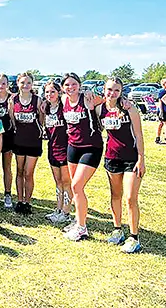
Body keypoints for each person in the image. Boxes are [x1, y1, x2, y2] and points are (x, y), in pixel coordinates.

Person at [97, 77, 145, 253]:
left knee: (130, 198)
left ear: (121, 91)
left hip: (131, 158)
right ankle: (117, 230)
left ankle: (134, 237)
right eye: (109, 89)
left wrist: (141, 159)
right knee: (115, 195)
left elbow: (139, 135)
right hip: (111, 157)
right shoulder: (99, 108)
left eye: (116, 90)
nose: (112, 93)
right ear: (104, 89)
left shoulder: (129, 108)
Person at [61, 72, 104, 241]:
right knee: (75, 187)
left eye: (73, 84)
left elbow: (108, 102)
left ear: (79, 85)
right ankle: (78, 220)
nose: (70, 87)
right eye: (67, 85)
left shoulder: (87, 98)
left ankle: (82, 228)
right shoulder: (64, 100)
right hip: (73, 146)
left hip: (91, 147)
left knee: (77, 186)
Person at [9, 72, 44, 215]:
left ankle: (28, 202)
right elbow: (12, 119)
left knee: (29, 173)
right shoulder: (13, 100)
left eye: (28, 83)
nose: (25, 85)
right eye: (22, 83)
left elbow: (41, 119)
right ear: (18, 83)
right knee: (19, 171)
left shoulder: (37, 100)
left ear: (32, 84)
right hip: (18, 141)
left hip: (34, 141)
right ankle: (19, 200)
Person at [43, 81, 72, 223]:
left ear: (59, 92)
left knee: (66, 182)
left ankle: (66, 213)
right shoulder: (46, 109)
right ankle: (58, 209)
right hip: (52, 148)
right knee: (58, 182)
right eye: (47, 92)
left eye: (52, 92)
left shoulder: (64, 107)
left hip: (65, 149)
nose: (50, 95)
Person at [0, 73, 15, 210]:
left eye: (3, 83)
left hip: (8, 135)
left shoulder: (11, 98)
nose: (1, 86)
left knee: (7, 166)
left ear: (7, 84)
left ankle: (7, 193)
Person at [155, 79, 166, 145]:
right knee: (164, 124)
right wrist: (161, 110)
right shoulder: (161, 91)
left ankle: (165, 137)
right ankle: (164, 138)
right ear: (163, 84)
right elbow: (160, 101)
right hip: (162, 110)